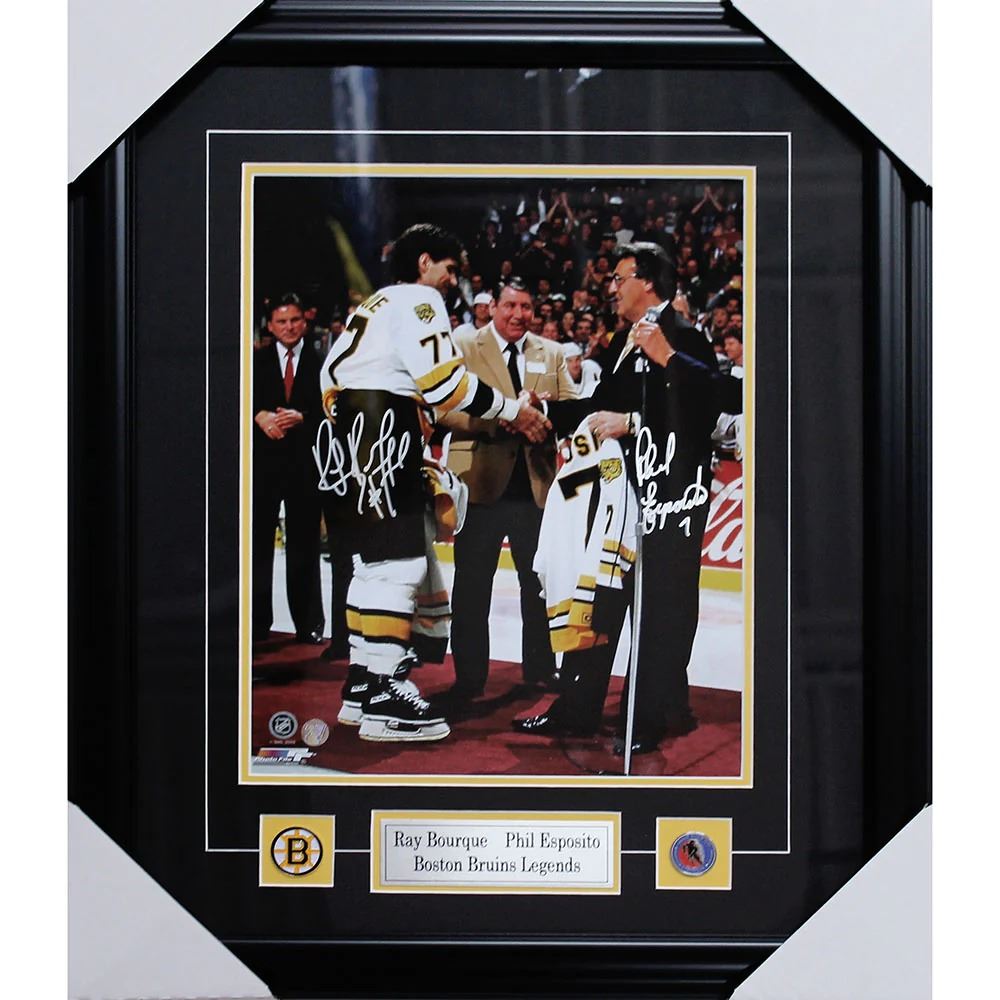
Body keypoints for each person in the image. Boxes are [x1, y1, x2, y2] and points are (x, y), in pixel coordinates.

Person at [318, 225, 549, 742]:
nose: (452, 280)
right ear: (424, 262)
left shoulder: (372, 304)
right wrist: (512, 410)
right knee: (399, 563)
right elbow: (446, 383)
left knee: (371, 565)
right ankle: (384, 692)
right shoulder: (419, 299)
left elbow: (328, 376)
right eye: (450, 269)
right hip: (381, 426)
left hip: (347, 431)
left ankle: (361, 682)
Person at [513, 242, 719, 756]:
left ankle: (648, 717)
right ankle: (577, 707)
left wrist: (634, 419)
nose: (611, 287)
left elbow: (709, 408)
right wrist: (546, 412)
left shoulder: (685, 335)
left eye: (619, 278)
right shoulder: (622, 339)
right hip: (615, 496)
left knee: (660, 609)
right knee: (600, 600)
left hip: (667, 499)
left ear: (647, 281)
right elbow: (599, 406)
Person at [438, 278, 578, 706]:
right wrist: (498, 417)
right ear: (492, 307)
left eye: (527, 307)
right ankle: (469, 679)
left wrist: (542, 414)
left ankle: (540, 670)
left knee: (537, 585)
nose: (519, 314)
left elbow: (574, 409)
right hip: (479, 484)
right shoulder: (463, 346)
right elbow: (442, 409)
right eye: (511, 306)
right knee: (472, 586)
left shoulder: (551, 351)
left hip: (535, 488)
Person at [252, 293, 325, 644]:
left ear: (305, 322)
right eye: (282, 321)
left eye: (295, 320)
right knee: (256, 545)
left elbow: (333, 410)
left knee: (304, 546)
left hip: (304, 467)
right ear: (270, 326)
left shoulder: (322, 361)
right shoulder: (255, 361)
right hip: (263, 467)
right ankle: (255, 622)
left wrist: (303, 417)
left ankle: (307, 623)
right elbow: (234, 398)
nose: (289, 327)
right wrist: (259, 416)